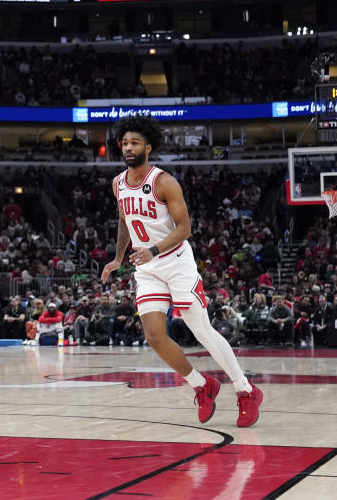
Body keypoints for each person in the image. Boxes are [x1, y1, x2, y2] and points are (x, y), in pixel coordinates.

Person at [101, 116, 262, 428]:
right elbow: (124, 221)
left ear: (148, 146)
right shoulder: (118, 183)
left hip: (176, 261)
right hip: (146, 267)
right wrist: (118, 256)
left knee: (200, 329)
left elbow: (185, 228)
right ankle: (202, 385)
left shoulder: (163, 181)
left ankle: (246, 390)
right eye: (124, 143)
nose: (129, 147)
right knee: (154, 335)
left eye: (134, 143)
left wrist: (153, 250)